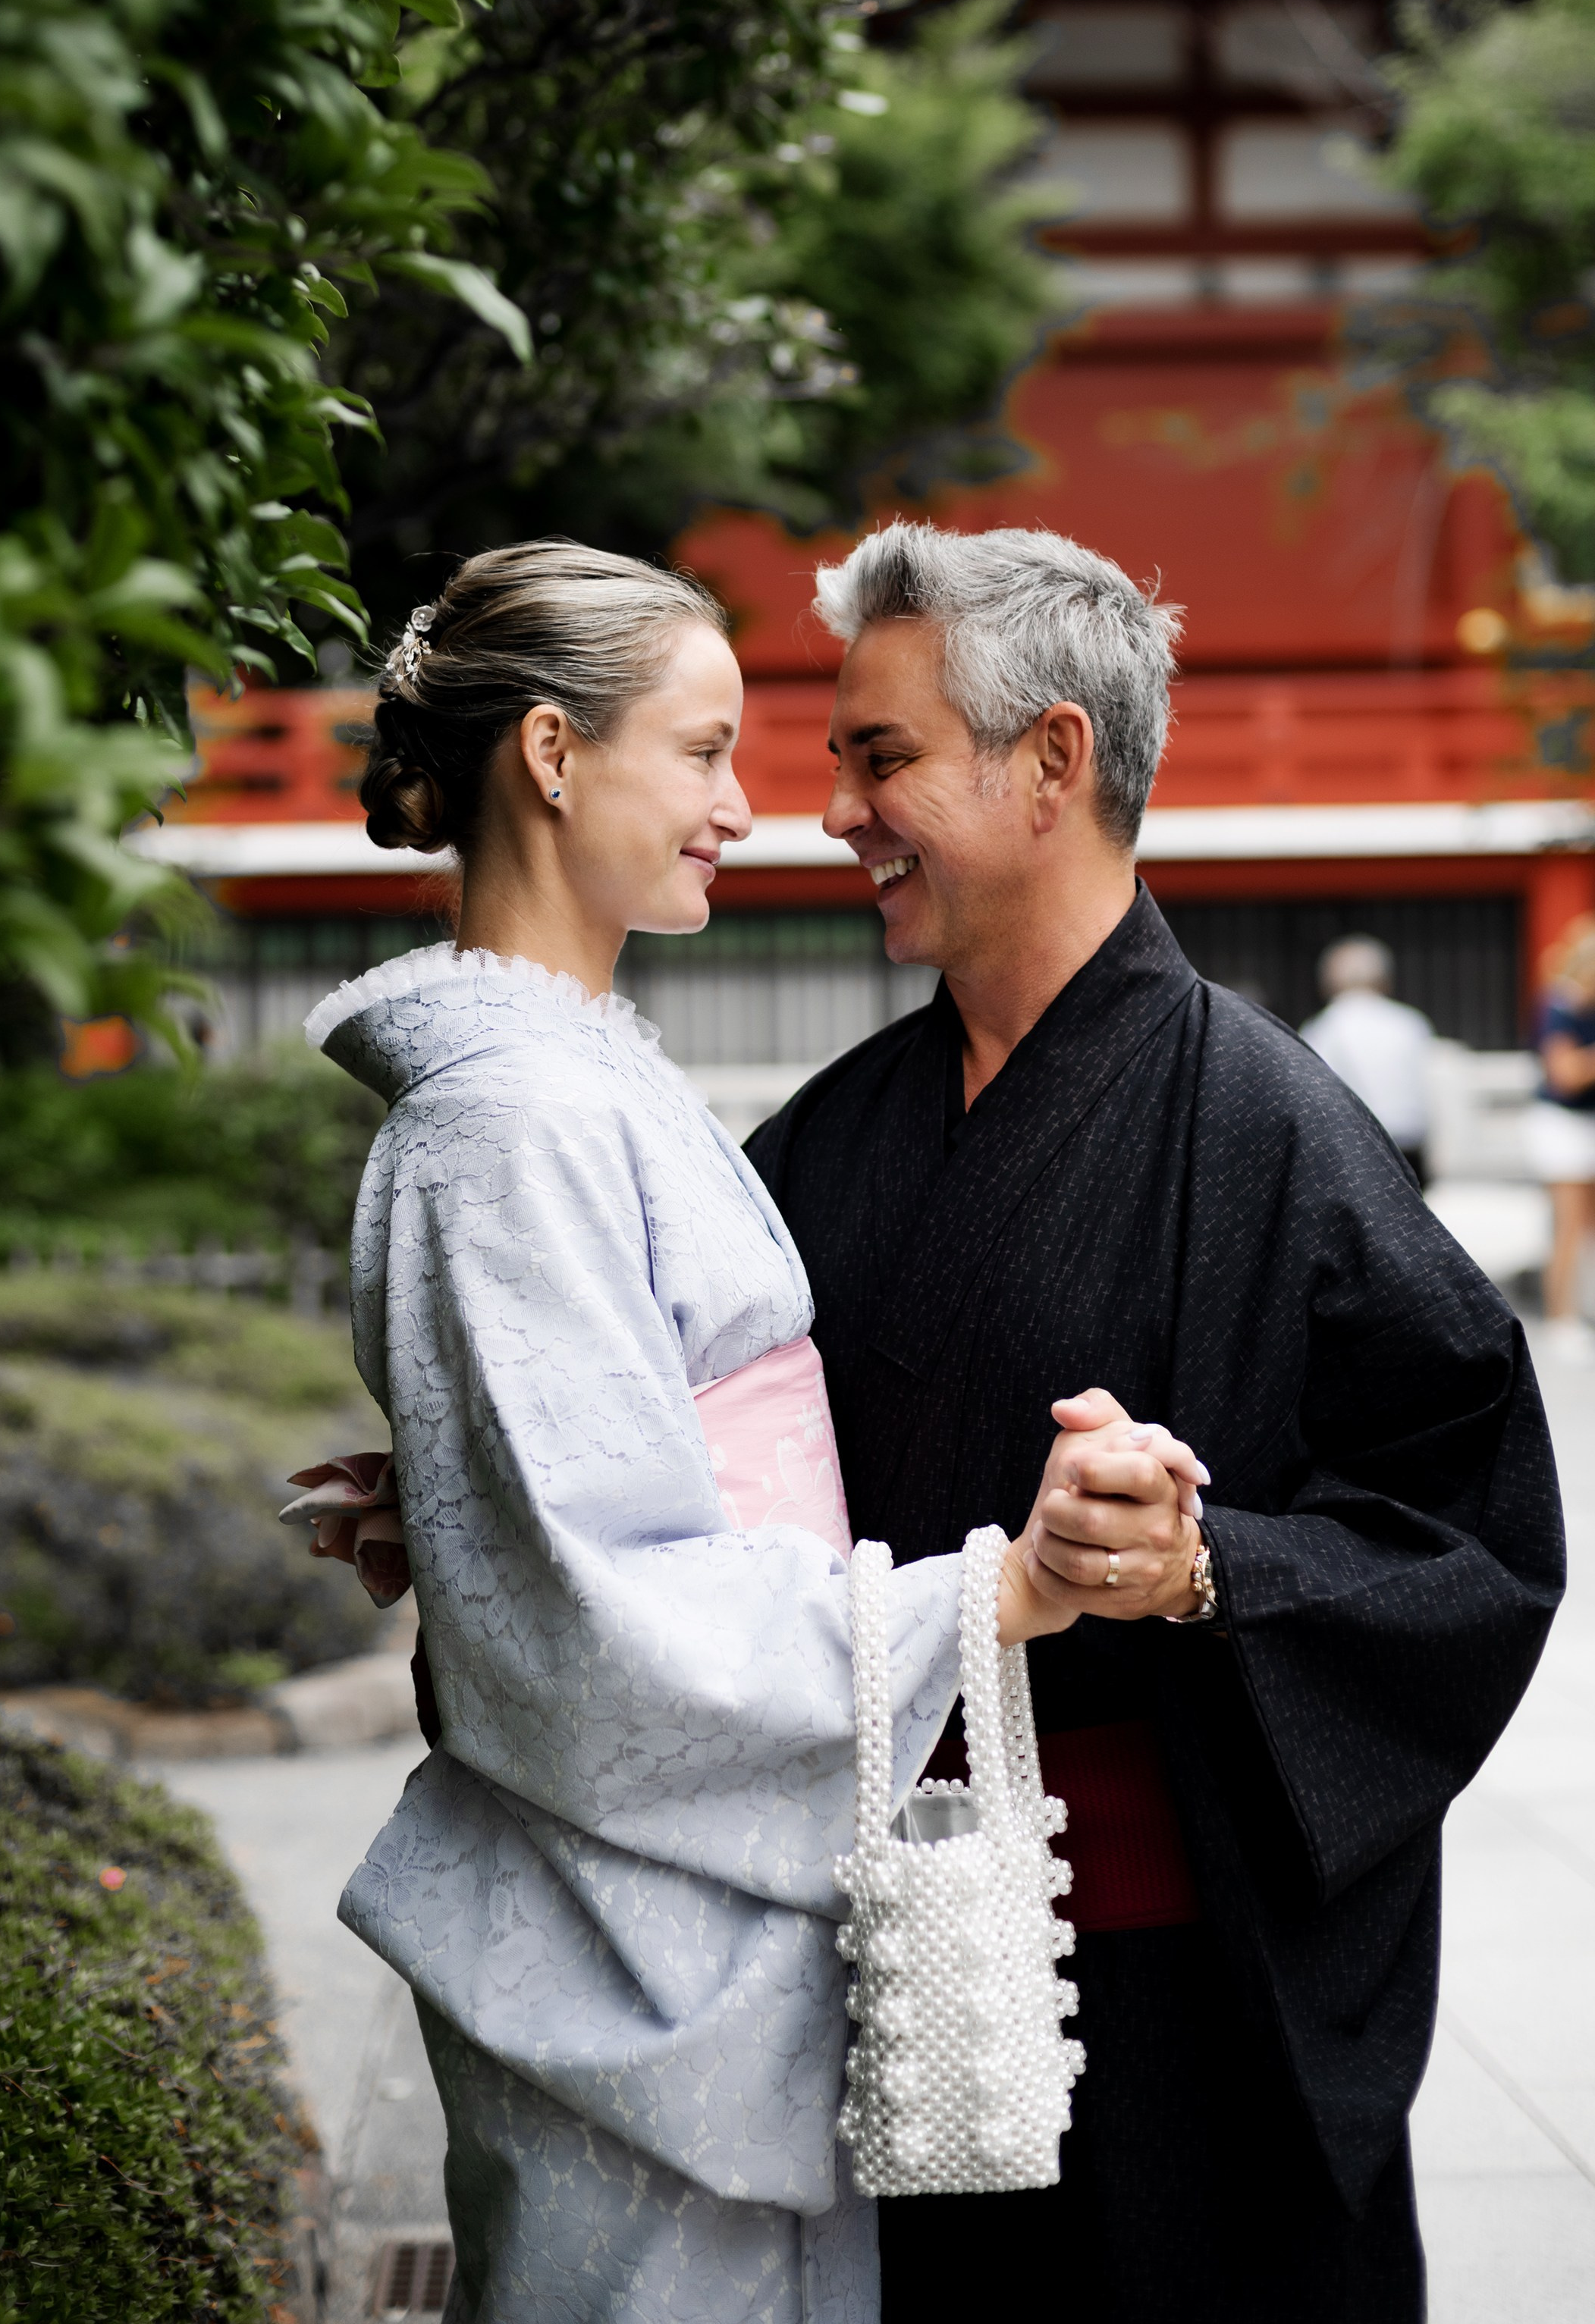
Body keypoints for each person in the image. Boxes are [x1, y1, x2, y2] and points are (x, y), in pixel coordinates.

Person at [301, 539, 1202, 2324]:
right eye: (701, 750)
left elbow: (587, 1492)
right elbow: (598, 1616)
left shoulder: (577, 1081)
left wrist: (472, 1502)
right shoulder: (518, 1122)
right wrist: (992, 1598)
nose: (751, 807)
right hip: (632, 1930)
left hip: (690, 1913)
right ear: (551, 756)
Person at [745, 523, 1566, 2324]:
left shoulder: (1268, 1129)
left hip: (1173, 1995)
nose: (829, 811)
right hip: (879, 1967)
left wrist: (1204, 1566)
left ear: (1049, 760)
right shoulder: (825, 1139)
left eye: (876, 757)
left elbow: (1471, 1537)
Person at [1301, 934, 1435, 1187]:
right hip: (1412, 1145)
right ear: (1385, 980)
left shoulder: (1323, 1028)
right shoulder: (1411, 1023)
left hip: (1359, 1149)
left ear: (1328, 983)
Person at [1524, 914, 1595, 1360]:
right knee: (1568, 1225)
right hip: (1562, 1125)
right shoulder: (1559, 1005)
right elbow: (1565, 1075)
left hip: (1587, 1121)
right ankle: (1561, 1318)